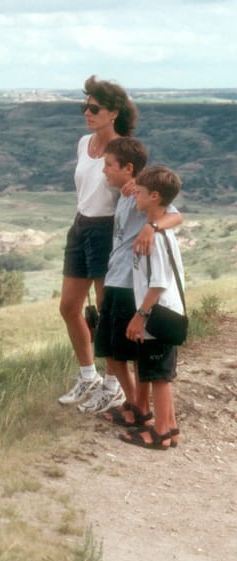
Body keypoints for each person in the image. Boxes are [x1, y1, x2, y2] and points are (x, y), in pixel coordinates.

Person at [77, 138, 182, 417]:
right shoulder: (126, 194)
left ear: (128, 168)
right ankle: (135, 402)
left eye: (109, 165)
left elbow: (176, 216)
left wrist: (151, 227)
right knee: (108, 347)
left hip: (129, 285)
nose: (104, 170)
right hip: (114, 279)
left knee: (132, 349)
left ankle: (141, 409)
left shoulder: (141, 193)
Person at [58, 75, 138, 406]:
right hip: (81, 226)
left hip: (107, 230)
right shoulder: (83, 143)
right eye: (85, 107)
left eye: (94, 108)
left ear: (114, 113)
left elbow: (138, 193)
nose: (87, 114)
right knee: (69, 307)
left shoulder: (124, 151)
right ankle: (88, 375)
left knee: (107, 313)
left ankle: (112, 384)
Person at [120, 166, 184, 449]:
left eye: (141, 192)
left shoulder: (155, 238)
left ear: (155, 196)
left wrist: (139, 316)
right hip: (166, 314)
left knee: (158, 376)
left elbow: (157, 283)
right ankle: (170, 428)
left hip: (157, 315)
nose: (136, 196)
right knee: (162, 374)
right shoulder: (161, 233)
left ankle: (159, 433)